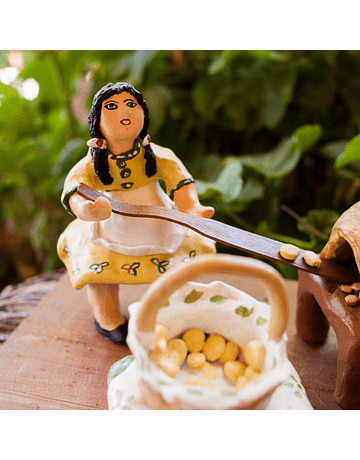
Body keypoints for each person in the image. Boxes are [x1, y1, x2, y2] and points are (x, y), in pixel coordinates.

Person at [57, 82, 216, 343]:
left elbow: (180, 180)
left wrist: (190, 208)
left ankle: (178, 314)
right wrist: (87, 210)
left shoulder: (156, 155)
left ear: (143, 113)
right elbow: (74, 188)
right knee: (101, 274)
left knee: (176, 270)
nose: (125, 111)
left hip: (158, 222)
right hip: (110, 224)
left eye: (131, 104)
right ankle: (107, 317)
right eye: (112, 106)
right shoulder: (93, 162)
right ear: (97, 121)